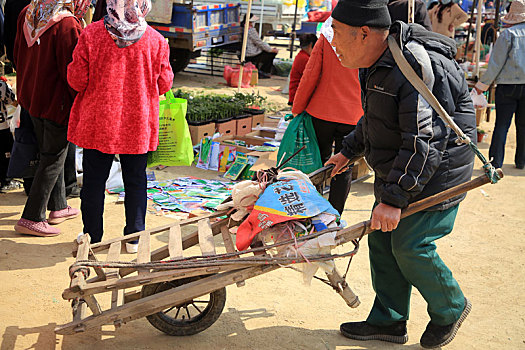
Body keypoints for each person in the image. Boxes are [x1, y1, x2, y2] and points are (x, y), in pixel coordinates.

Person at [326, 0, 476, 348]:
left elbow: (425, 139)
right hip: (405, 164)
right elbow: (377, 117)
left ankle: (451, 308)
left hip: (439, 169)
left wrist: (393, 199)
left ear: (364, 33)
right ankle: (389, 321)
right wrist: (348, 150)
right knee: (381, 239)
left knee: (410, 244)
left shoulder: (413, 66)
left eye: (335, 32)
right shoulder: (375, 62)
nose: (332, 42)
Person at [67, 0, 174, 252]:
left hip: (98, 123)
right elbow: (164, 84)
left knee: (94, 182)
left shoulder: (91, 34)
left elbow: (76, 79)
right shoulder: (156, 40)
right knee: (136, 181)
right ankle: (134, 238)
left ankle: (92, 237)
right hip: (138, 123)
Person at [13, 0, 90, 237]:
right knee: (53, 155)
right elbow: (73, 70)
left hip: (32, 95)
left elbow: (16, 55)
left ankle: (58, 206)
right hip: (57, 101)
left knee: (51, 150)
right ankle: (32, 217)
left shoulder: (29, 12)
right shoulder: (66, 24)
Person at [291, 17, 363, 214]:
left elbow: (310, 73)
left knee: (317, 163)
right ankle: (333, 216)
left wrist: (297, 107)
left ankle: (312, 211)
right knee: (344, 167)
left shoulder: (328, 35)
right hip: (354, 115)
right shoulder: (368, 38)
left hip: (322, 111)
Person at [474, 0, 525, 170]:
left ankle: (495, 162)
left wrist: (482, 86)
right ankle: (521, 161)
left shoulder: (508, 34)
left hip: (507, 86)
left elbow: (495, 64)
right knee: (523, 125)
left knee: (502, 124)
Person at [243, 13, 279, 78]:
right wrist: (271, 50)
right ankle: (264, 71)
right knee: (271, 54)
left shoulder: (244, 28)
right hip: (251, 53)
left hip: (247, 51)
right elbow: (259, 43)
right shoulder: (251, 30)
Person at [288, 34, 318, 105]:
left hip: (296, 95)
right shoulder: (305, 59)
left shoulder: (302, 55)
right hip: (298, 97)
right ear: (311, 45)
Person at [0, 77, 17, 192]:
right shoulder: (1, 85)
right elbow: (12, 101)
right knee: (6, 154)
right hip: (2, 127)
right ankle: (6, 181)